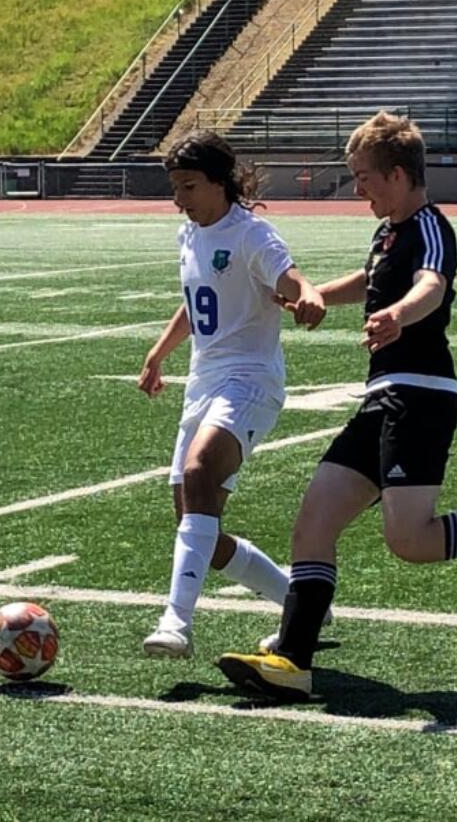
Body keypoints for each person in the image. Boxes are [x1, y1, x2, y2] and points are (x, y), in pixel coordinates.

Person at [216, 112, 457, 702]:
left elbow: (431, 286)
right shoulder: (387, 231)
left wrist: (399, 314)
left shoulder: (430, 226)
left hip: (420, 396)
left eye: (363, 177)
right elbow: (370, 280)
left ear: (397, 175)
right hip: (381, 397)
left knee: (410, 540)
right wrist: (310, 292)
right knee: (313, 522)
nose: (358, 188)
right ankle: (292, 660)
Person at [139, 131, 326, 658]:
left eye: (190, 186)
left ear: (221, 183)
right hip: (202, 384)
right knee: (198, 528)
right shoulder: (188, 234)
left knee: (200, 474)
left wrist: (308, 296)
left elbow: (289, 279)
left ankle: (176, 622)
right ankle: (302, 604)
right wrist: (159, 353)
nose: (181, 198)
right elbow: (197, 303)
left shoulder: (251, 235)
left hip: (250, 382)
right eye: (175, 188)